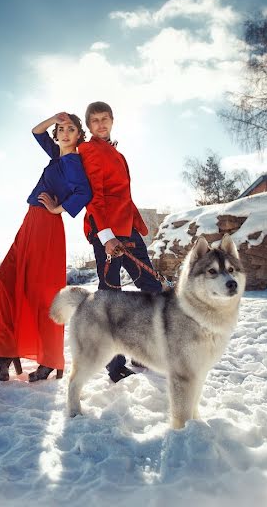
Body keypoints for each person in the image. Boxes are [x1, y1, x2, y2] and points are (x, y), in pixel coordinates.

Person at [0, 112, 92, 383]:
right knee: (6, 281)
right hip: (30, 222)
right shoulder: (57, 157)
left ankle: (49, 360)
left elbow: (84, 192)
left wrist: (57, 208)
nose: (64, 132)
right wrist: (53, 118)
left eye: (71, 129)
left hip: (47, 226)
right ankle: (5, 355)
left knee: (42, 294)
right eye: (61, 129)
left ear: (79, 135)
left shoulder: (72, 161)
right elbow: (37, 132)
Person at [78, 101, 162, 383]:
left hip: (127, 229)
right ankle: (115, 366)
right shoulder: (89, 151)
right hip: (107, 233)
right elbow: (95, 197)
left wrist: (137, 223)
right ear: (88, 126)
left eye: (105, 119)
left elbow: (123, 195)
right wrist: (106, 236)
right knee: (111, 296)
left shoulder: (117, 153)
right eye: (95, 121)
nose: (101, 124)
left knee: (151, 286)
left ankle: (142, 352)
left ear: (112, 121)